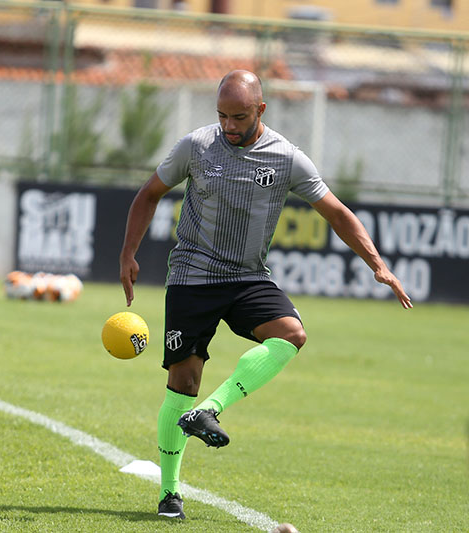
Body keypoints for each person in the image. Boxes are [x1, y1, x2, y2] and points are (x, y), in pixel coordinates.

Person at [118, 70, 412, 519]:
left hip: (248, 278)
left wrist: (378, 264)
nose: (229, 126)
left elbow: (336, 212)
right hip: (193, 277)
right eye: (221, 115)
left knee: (291, 334)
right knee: (183, 385)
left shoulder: (286, 158)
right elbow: (149, 193)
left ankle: (211, 411)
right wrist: (128, 254)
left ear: (261, 110)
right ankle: (169, 493)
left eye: (238, 116)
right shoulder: (196, 147)